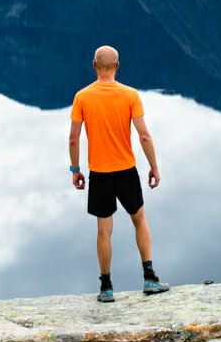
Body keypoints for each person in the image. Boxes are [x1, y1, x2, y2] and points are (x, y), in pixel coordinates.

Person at [69, 45, 168, 303]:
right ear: (117, 66)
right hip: (126, 170)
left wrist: (76, 169)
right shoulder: (130, 95)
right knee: (139, 219)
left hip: (99, 174)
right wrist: (154, 166)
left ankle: (106, 287)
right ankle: (149, 277)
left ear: (94, 66)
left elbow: (73, 139)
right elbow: (144, 134)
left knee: (104, 230)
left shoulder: (82, 97)